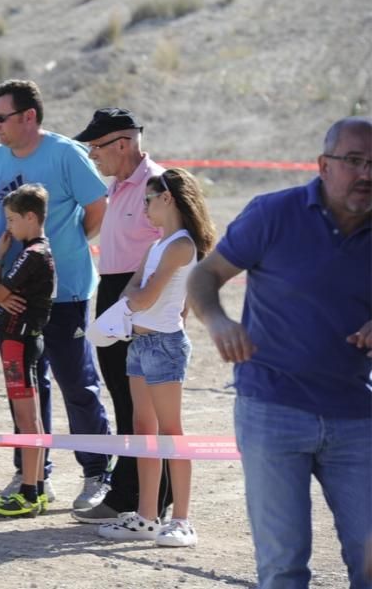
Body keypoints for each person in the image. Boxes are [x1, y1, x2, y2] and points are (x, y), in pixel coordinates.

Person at [188, 117, 371, 587]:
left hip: (357, 416)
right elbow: (203, 277)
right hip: (273, 410)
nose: (366, 173)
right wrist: (219, 321)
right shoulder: (273, 214)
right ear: (324, 165)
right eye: (354, 161)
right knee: (284, 567)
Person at [0, 79, 112, 510]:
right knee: (26, 388)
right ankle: (33, 475)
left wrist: (70, 246)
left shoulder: (64, 154)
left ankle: (97, 474)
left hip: (66, 291)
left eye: (1, 117)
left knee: (76, 381)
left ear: (29, 116)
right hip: (14, 297)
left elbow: (97, 207)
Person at [97, 168, 216, 547]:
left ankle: (181, 519)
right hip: (141, 343)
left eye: (149, 199)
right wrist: (131, 301)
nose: (145, 206)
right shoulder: (158, 245)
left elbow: (143, 296)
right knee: (144, 431)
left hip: (163, 344)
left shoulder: (181, 245)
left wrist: (129, 303)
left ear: (168, 198)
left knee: (171, 433)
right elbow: (134, 289)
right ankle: (147, 517)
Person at [72, 108, 174, 524]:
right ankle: (136, 493)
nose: (92, 155)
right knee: (124, 398)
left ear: (123, 143)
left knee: (141, 403)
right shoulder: (117, 186)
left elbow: (179, 247)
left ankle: (139, 496)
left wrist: (157, 308)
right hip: (115, 293)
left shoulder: (158, 184)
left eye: (96, 147)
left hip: (141, 299)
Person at [0, 184, 54, 518]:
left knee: (26, 419)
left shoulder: (32, 254)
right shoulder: (34, 251)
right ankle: (37, 486)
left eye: (12, 219)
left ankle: (29, 492)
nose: (8, 227)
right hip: (20, 340)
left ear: (31, 217)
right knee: (31, 417)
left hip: (19, 341)